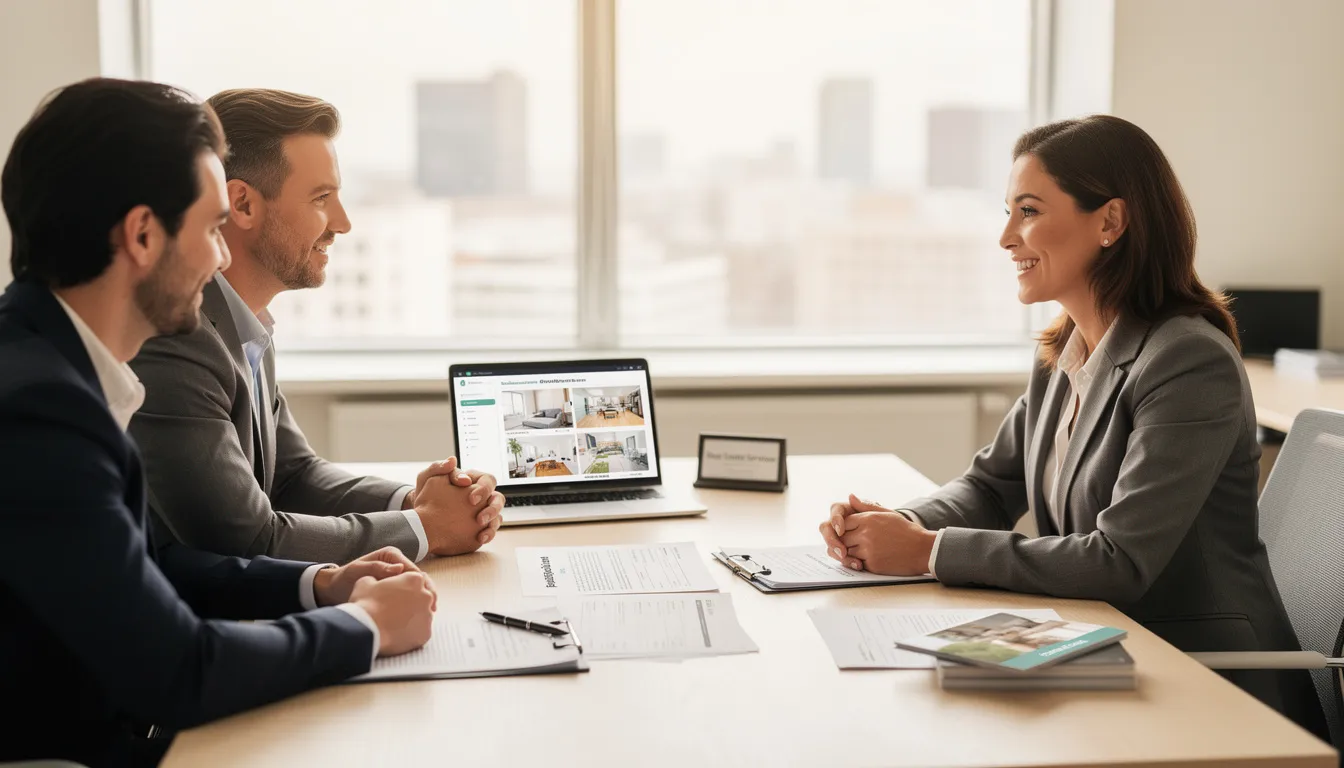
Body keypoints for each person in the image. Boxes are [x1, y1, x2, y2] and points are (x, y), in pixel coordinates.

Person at [819, 115, 1328, 736]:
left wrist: (927, 552)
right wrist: (905, 524)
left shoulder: (1187, 360)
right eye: (1007, 211)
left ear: (1110, 222)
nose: (1007, 237)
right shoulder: (1066, 353)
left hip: (1206, 682)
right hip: (1109, 649)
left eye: (1028, 210)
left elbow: (1119, 561)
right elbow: (989, 487)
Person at [0, 78, 440, 766]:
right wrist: (365, 627)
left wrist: (321, 584)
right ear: (143, 234)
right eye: (210, 229)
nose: (224, 257)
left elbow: (156, 565)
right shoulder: (40, 409)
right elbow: (179, 669)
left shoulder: (57, 365)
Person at [128, 88, 503, 564]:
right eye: (322, 198)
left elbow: (293, 475)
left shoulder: (245, 324)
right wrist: (427, 527)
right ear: (241, 205)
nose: (343, 223)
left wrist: (412, 502)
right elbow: (248, 540)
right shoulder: (180, 341)